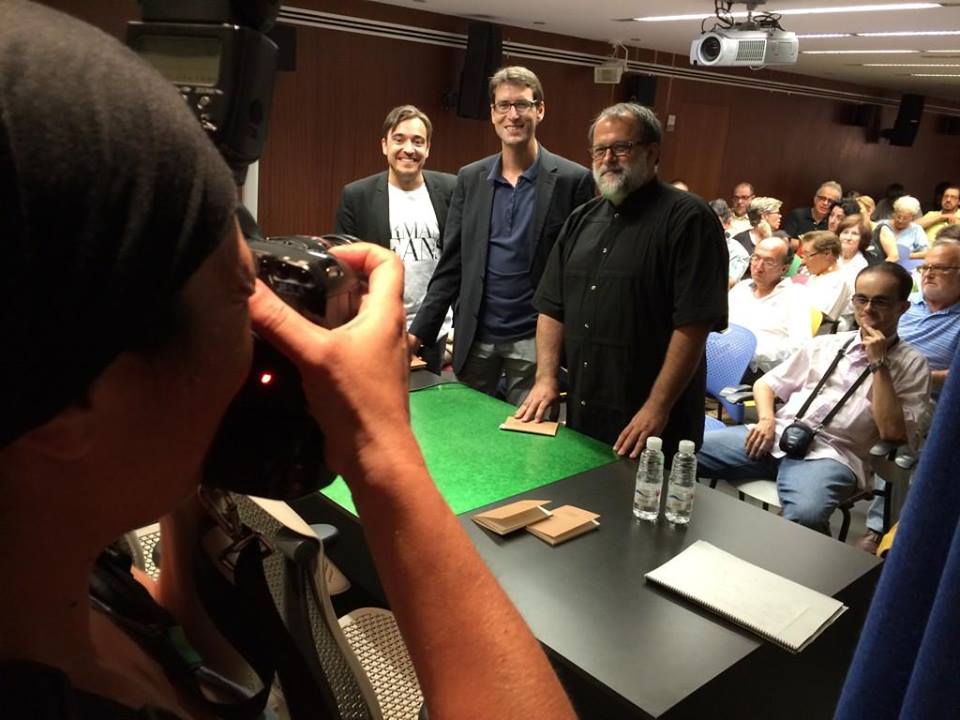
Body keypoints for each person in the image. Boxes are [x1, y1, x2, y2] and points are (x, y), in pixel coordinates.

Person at [0, 5, 579, 719]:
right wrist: (381, 448)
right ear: (79, 399)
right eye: (242, 294)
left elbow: (168, 634)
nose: (263, 331)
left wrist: (183, 488)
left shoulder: (70, 570)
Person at [515, 102, 728, 459]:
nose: (608, 158)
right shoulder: (581, 220)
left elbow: (693, 324)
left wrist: (657, 406)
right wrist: (546, 378)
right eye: (600, 149)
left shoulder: (689, 219)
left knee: (645, 514)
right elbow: (552, 308)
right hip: (587, 413)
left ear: (652, 153)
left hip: (654, 424)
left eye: (621, 147)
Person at [699, 263, 932, 534]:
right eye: (861, 299)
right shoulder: (827, 344)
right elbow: (765, 384)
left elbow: (892, 433)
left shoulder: (913, 365)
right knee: (677, 449)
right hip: (777, 434)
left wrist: (879, 364)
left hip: (833, 456)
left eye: (880, 302)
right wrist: (765, 420)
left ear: (902, 307)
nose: (867, 309)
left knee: (806, 516)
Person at [409, 66, 594, 405]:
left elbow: (580, 274)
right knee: (469, 438)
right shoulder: (470, 178)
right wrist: (416, 335)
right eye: (504, 105)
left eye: (522, 104)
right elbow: (451, 266)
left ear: (540, 109)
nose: (513, 115)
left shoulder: (573, 180)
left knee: (530, 447)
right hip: (477, 336)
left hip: (536, 342)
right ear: (492, 113)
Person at [334, 105, 456, 372]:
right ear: (384, 145)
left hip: (442, 335)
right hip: (381, 332)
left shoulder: (451, 189)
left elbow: (460, 261)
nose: (408, 149)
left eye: (418, 141)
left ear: (428, 148)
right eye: (399, 139)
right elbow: (348, 271)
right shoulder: (357, 196)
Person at [858, 234, 960, 552]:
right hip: (871, 376)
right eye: (925, 266)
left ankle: (879, 527)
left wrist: (912, 373)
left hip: (929, 396)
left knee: (899, 442)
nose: (927, 273)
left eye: (938, 268)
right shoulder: (908, 305)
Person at [728, 236, 812, 374]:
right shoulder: (741, 288)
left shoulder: (795, 296)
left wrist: (750, 352)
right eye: (756, 258)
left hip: (760, 370)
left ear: (784, 268)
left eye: (769, 262)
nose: (758, 267)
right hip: (723, 355)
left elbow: (800, 347)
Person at [797, 230, 853, 329]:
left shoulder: (839, 281)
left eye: (807, 255)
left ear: (827, 254)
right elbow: (787, 288)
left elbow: (816, 320)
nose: (803, 261)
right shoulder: (808, 271)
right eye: (803, 255)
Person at [710, 198, 750, 288]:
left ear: (727, 223)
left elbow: (727, 283)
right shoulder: (694, 243)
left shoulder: (738, 252)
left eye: (713, 222)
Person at [876, 194, 928, 261]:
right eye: (898, 216)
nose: (900, 220)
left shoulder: (916, 229)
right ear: (894, 213)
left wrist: (905, 256)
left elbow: (925, 253)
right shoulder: (881, 224)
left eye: (905, 218)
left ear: (912, 218)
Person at [837, 215, 874, 287]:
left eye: (854, 234)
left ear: (862, 239)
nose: (848, 237)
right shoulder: (829, 257)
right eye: (845, 232)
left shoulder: (862, 265)